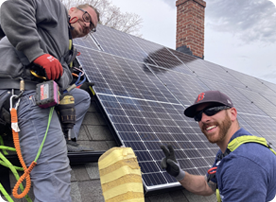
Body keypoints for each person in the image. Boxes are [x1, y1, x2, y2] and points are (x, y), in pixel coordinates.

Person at [0, 1, 99, 201]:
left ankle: (67, 138)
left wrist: (58, 72)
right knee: (55, 177)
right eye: (87, 17)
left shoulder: (68, 49)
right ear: (73, 11)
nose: (87, 25)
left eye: (92, 27)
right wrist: (36, 53)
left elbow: (65, 78)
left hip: (35, 89)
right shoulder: (54, 7)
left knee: (81, 97)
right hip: (18, 89)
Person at [161, 90, 276, 202]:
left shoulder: (242, 163)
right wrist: (178, 173)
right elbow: (207, 186)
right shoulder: (229, 150)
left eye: (211, 110)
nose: (204, 119)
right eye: (198, 116)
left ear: (232, 114)